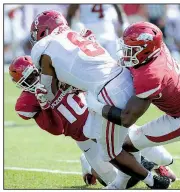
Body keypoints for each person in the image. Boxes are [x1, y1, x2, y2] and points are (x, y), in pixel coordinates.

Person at [29, 10, 171, 189]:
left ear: (43, 31)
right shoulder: (76, 34)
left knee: (110, 152)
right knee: (92, 130)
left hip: (109, 91)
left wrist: (51, 91)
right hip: (123, 77)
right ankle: (130, 175)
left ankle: (153, 181)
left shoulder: (45, 48)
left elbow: (49, 91)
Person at [9, 55, 175, 189]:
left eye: (34, 75)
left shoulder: (57, 72)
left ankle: (155, 165)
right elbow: (55, 128)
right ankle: (90, 166)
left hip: (101, 120)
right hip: (84, 139)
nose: (34, 81)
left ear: (39, 70)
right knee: (118, 181)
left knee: (163, 157)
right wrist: (45, 104)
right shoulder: (28, 102)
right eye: (28, 81)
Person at [85, 22, 180, 188]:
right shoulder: (157, 49)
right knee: (130, 142)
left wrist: (96, 106)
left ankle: (120, 184)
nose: (126, 53)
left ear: (147, 49)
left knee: (128, 144)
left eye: (132, 49)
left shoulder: (150, 75)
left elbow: (126, 118)